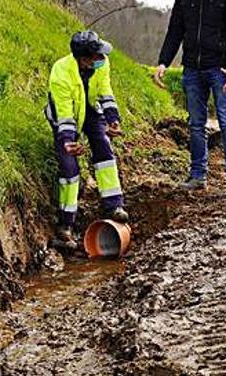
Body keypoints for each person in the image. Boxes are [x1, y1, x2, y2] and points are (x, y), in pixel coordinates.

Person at [46, 30, 128, 250]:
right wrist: (67, 140)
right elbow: (64, 113)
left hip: (91, 110)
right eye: (97, 56)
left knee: (103, 145)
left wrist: (113, 120)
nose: (103, 59)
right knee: (69, 167)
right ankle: (66, 225)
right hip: (67, 116)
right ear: (84, 59)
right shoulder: (60, 72)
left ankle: (113, 205)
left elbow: (105, 92)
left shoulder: (102, 64)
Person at [155, 0, 226, 196]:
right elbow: (175, 31)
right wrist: (163, 61)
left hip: (220, 69)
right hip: (192, 68)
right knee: (196, 124)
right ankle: (198, 176)